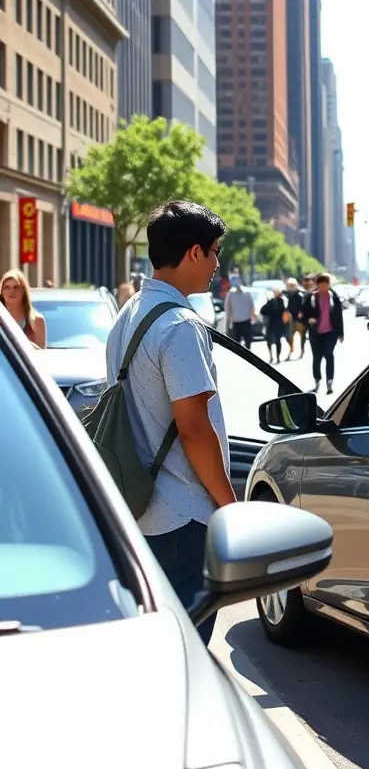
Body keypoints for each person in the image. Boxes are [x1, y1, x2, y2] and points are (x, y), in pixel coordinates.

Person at [105, 201, 235, 646]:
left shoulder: (128, 314)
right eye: (215, 251)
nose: (218, 263)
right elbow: (195, 429)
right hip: (182, 518)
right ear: (194, 252)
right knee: (187, 658)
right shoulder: (180, 325)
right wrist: (229, 505)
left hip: (137, 509)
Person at [304, 272, 344, 395]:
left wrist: (341, 333)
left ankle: (329, 382)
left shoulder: (334, 298)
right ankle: (317, 380)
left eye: (325, 285)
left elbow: (339, 316)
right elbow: (304, 314)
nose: (323, 288)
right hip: (316, 333)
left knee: (329, 354)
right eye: (320, 285)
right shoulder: (311, 298)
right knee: (317, 357)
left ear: (328, 285)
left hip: (330, 332)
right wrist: (308, 319)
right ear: (317, 285)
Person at [0, 270, 46, 348]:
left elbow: (42, 353)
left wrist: (28, 346)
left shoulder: (36, 320)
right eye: (7, 287)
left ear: (23, 291)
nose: (11, 291)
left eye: (16, 287)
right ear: (1, 291)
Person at [224, 275, 256, 348]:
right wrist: (253, 318)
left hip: (237, 321)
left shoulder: (231, 293)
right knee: (247, 341)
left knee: (237, 342)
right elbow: (252, 306)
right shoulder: (247, 292)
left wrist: (228, 322)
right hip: (246, 320)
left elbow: (228, 308)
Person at [261, 287, 289, 364]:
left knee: (278, 341)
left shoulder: (283, 301)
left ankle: (278, 357)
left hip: (279, 324)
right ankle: (271, 356)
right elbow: (262, 311)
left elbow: (285, 311)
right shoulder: (270, 301)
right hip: (271, 323)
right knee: (269, 340)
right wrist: (269, 312)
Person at [284, 277, 304, 359]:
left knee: (302, 336)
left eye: (292, 285)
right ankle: (291, 349)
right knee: (288, 336)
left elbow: (303, 305)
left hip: (299, 319)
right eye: (289, 285)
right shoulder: (286, 295)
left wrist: (301, 312)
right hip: (290, 318)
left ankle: (302, 350)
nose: (290, 287)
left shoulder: (300, 295)